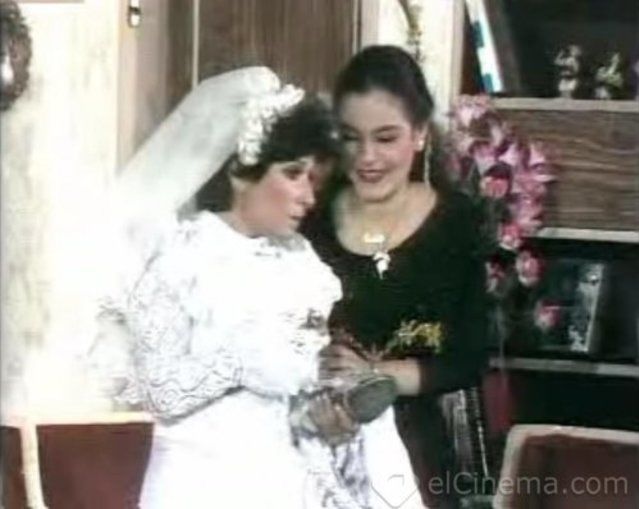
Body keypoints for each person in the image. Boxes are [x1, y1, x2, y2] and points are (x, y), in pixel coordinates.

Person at [95, 67, 424, 509]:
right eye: (293, 174)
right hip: (200, 480)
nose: (308, 197)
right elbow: (157, 392)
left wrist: (326, 419)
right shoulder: (180, 256)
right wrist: (240, 364)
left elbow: (294, 397)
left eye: (314, 180)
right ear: (240, 172)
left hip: (286, 475)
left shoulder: (300, 264)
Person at [303, 45, 490, 507]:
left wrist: (374, 378)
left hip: (417, 456)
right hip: (313, 445)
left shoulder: (457, 223)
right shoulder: (309, 219)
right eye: (351, 138)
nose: (367, 157)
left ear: (420, 134)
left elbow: (468, 358)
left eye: (386, 138)